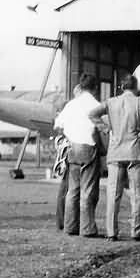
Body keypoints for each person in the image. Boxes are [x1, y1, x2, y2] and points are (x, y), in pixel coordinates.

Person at [89, 74, 140, 241]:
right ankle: (136, 232)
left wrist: (104, 127)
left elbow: (92, 114)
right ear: (135, 87)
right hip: (136, 152)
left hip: (116, 153)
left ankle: (111, 232)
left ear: (121, 87)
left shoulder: (111, 102)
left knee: (113, 194)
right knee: (137, 194)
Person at [54, 75, 101, 237]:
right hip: (89, 148)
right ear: (95, 88)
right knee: (87, 190)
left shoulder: (71, 105)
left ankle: (70, 227)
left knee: (72, 190)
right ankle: (87, 228)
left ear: (81, 86)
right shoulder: (96, 105)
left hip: (72, 149)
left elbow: (57, 125)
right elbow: (100, 129)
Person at [54, 84, 82, 231]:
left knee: (66, 189)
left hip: (66, 152)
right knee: (69, 189)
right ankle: (65, 222)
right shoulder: (72, 109)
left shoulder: (66, 111)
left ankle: (63, 221)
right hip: (71, 152)